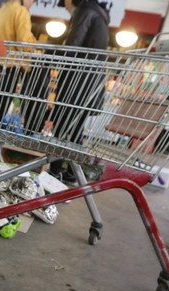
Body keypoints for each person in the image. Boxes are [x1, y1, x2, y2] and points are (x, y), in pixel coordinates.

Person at [47, 0, 110, 180]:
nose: (64, 5)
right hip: (88, 84)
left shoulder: (85, 11)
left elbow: (73, 46)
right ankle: (73, 173)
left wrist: (49, 53)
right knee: (75, 130)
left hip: (76, 82)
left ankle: (54, 172)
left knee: (61, 126)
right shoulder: (98, 13)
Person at [0, 0, 36, 128]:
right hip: (10, 66)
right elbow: (24, 41)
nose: (33, 3)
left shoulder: (3, 10)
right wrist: (37, 49)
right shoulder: (21, 11)